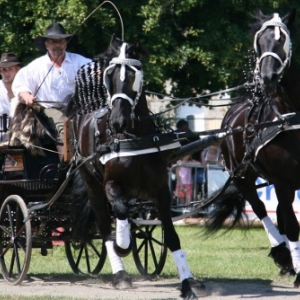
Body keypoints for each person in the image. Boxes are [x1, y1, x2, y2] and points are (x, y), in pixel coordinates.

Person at [12, 22, 91, 159]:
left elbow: (96, 70)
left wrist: (97, 73)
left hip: (77, 108)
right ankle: (67, 165)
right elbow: (20, 84)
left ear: (66, 43)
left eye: (60, 41)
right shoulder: (36, 66)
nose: (57, 45)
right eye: (52, 42)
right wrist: (26, 96)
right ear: (46, 44)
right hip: (49, 110)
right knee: (63, 124)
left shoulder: (79, 61)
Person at [0, 52, 22, 141]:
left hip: (20, 138)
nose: (7, 73)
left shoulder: (25, 90)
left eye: (10, 69)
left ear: (18, 69)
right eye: (4, 70)